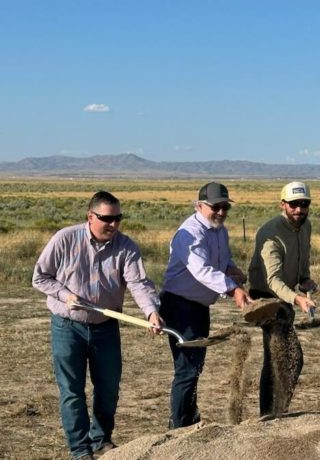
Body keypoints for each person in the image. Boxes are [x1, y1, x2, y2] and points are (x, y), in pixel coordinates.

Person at [32, 191, 163, 460]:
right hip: (68, 327)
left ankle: (101, 440)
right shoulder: (65, 239)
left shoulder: (126, 247)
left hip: (106, 327)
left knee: (108, 388)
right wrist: (65, 295)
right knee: (72, 390)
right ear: (90, 217)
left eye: (118, 219)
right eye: (107, 219)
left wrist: (151, 312)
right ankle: (80, 450)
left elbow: (138, 283)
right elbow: (40, 277)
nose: (114, 225)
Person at [160, 182, 251, 429]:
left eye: (225, 207)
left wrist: (231, 270)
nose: (221, 212)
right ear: (199, 206)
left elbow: (221, 260)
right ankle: (179, 427)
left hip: (199, 306)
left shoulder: (219, 230)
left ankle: (189, 417)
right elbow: (201, 269)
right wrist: (232, 288)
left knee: (195, 366)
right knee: (187, 369)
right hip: (179, 306)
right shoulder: (189, 233)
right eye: (215, 207)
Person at [247, 181, 317, 416]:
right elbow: (273, 281)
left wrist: (305, 279)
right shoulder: (270, 234)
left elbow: (303, 257)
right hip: (266, 299)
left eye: (304, 204)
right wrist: (298, 299)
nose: (299, 210)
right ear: (283, 204)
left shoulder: (305, 227)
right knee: (284, 356)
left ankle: (277, 410)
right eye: (294, 204)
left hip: (286, 296)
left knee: (285, 357)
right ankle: (270, 413)